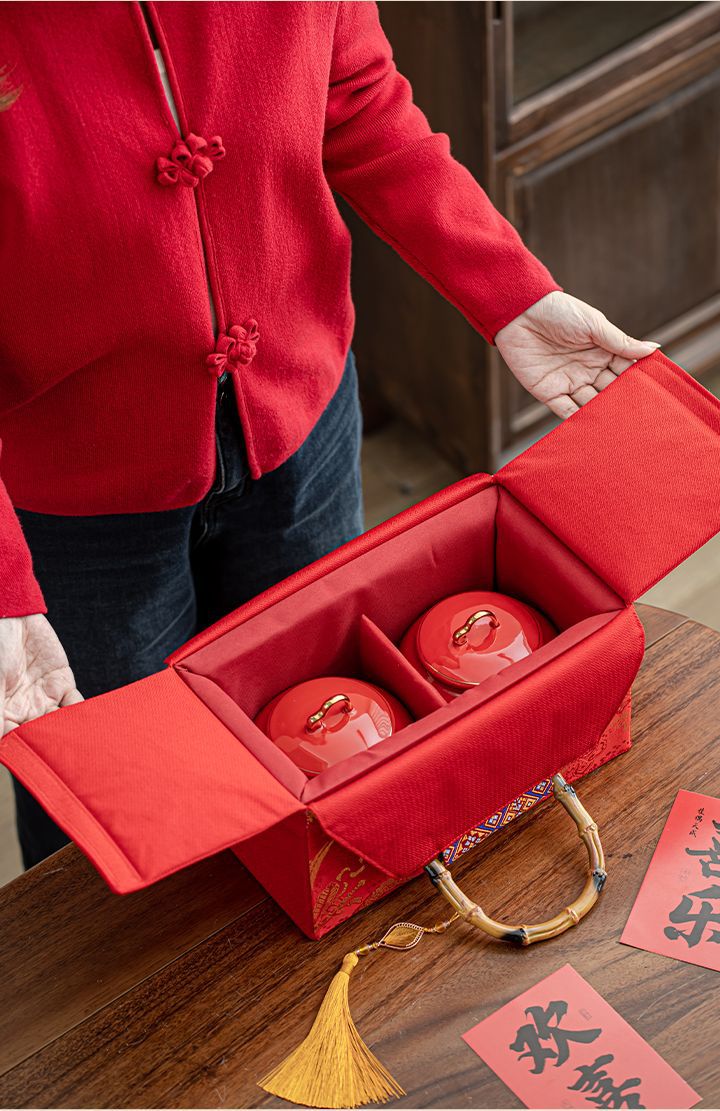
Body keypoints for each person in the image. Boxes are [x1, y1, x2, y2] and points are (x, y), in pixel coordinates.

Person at [0, 2, 658, 868]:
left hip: (302, 425)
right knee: (117, 802)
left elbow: (357, 101)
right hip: (65, 511)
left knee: (324, 727)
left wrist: (510, 292)